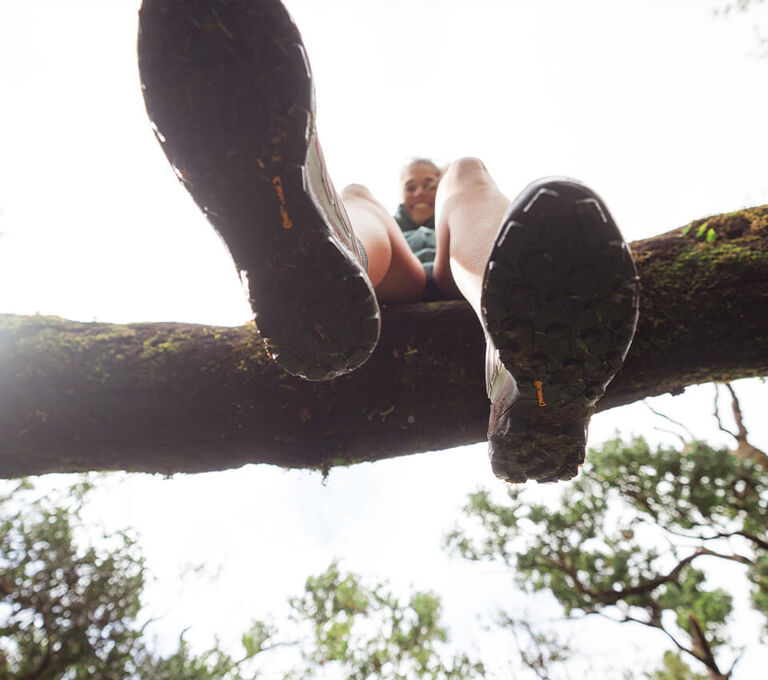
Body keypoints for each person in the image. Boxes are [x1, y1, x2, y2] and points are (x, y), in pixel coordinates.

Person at [137, 0, 639, 483]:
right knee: (357, 193)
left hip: (457, 273)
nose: (421, 188)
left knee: (468, 171)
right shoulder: (391, 217)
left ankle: (519, 341)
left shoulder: (451, 202)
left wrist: (452, 183)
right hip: (393, 280)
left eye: (429, 181)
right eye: (413, 184)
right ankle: (322, 268)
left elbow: (458, 195)